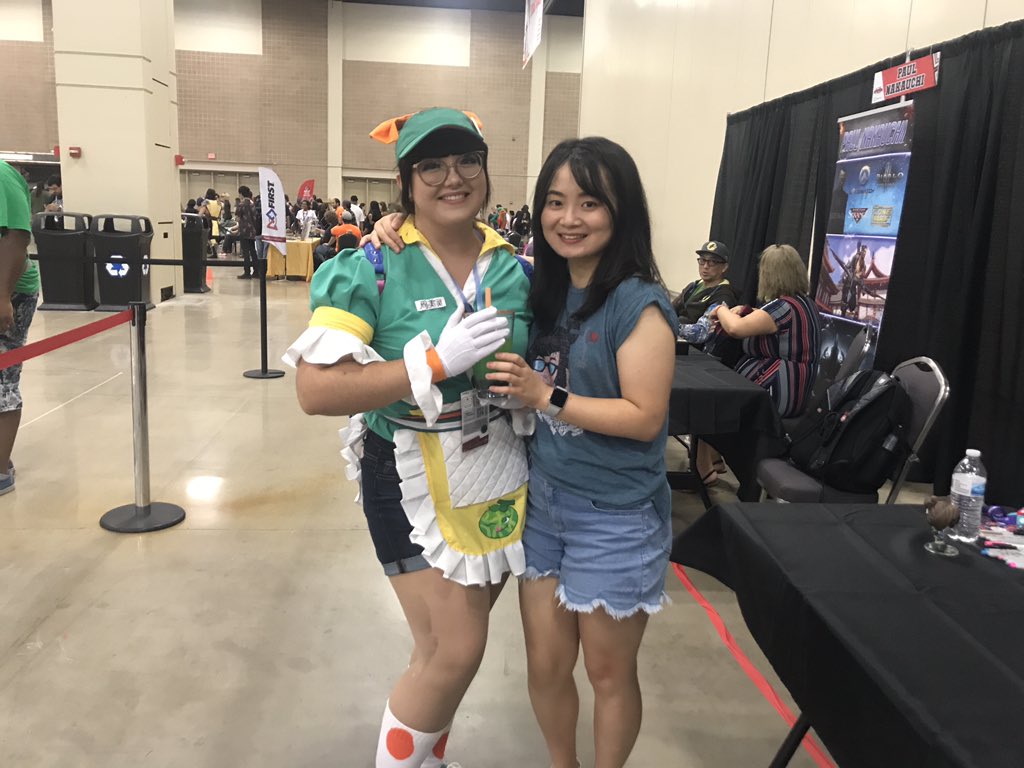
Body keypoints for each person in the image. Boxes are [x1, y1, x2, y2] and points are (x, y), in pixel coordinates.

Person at [285, 107, 532, 768]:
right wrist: (431, 364)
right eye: (432, 165)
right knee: (456, 651)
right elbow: (315, 391)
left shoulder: (516, 267)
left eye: (467, 161)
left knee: (443, 652)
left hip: (497, 464)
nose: (453, 177)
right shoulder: (373, 264)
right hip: (406, 466)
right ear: (406, 181)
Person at [487, 137, 676, 768]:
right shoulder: (540, 286)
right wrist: (394, 228)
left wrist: (547, 397)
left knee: (607, 672)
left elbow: (645, 418)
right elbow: (462, 254)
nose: (569, 218)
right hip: (544, 506)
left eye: (590, 203)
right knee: (545, 664)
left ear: (622, 212)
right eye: (555, 201)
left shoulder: (638, 302)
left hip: (616, 516)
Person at [710, 243, 821, 419]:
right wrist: (747, 310)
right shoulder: (804, 303)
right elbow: (769, 319)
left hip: (775, 393)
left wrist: (720, 309)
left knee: (712, 401)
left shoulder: (783, 307)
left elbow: (735, 328)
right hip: (795, 391)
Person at [0, 161, 41, 495]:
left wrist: (3, 296)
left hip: (12, 290)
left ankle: (0, 470)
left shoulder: (2, 176)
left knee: (4, 379)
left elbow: (17, 237)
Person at [672, 240, 738, 324]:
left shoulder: (724, 296)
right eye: (702, 260)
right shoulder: (693, 286)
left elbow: (706, 327)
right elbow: (671, 308)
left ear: (724, 267)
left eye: (712, 262)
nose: (705, 266)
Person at [235, 185, 260, 279]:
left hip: (244, 230)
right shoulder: (252, 203)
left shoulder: (241, 204)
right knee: (253, 251)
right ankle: (256, 271)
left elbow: (237, 217)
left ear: (241, 194)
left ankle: (247, 272)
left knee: (245, 252)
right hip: (252, 230)